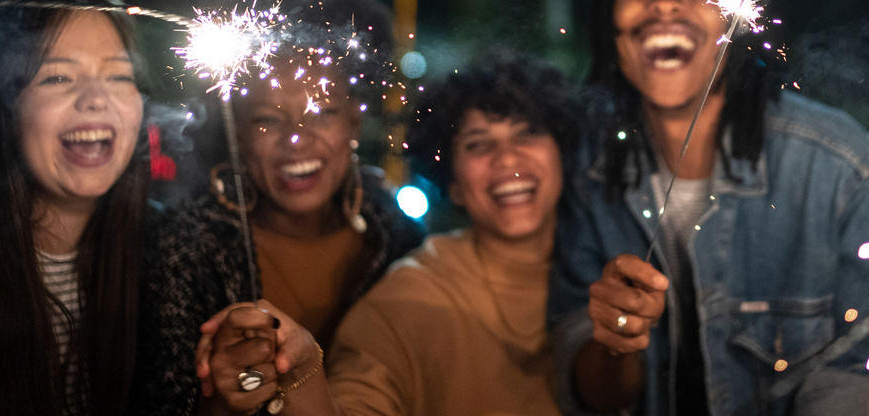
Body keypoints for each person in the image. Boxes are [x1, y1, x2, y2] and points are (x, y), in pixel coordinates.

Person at [548, 0, 869, 415]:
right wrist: (612, 344)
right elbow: (593, 395)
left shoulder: (842, 173)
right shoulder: (588, 177)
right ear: (608, 22)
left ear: (743, 16)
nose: (663, 1)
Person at [197, 50, 584, 416]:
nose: (508, 159)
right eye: (478, 143)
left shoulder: (605, 260)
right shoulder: (408, 298)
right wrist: (301, 377)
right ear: (451, 180)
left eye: (527, 133)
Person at [132, 0, 425, 415]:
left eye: (322, 113)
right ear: (238, 134)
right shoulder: (184, 244)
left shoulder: (396, 238)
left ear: (354, 124)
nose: (296, 139)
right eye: (268, 120)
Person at [0, 0, 150, 416]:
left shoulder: (168, 257)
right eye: (57, 76)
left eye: (117, 75)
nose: (95, 99)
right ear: (8, 108)